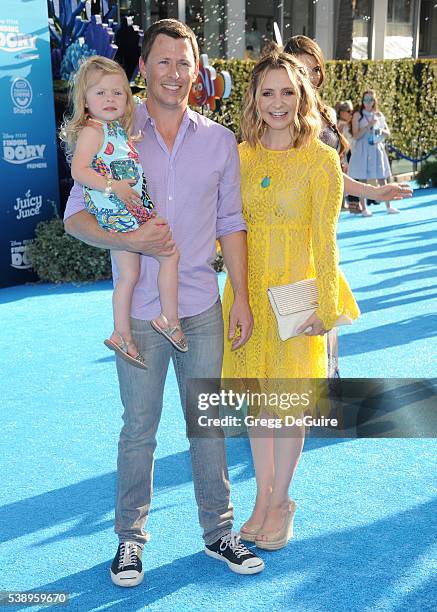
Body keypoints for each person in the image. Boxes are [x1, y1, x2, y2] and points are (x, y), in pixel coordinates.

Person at [63, 19, 265, 586]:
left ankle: (219, 532)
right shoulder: (113, 134)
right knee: (139, 429)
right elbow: (75, 217)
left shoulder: (220, 141)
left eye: (185, 62)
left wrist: (242, 298)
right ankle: (130, 540)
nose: (175, 73)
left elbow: (232, 223)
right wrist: (130, 241)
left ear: (196, 69)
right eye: (164, 61)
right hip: (140, 316)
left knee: (208, 426)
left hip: (202, 307)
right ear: (143, 69)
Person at [221, 48, 360, 550]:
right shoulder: (237, 157)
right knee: (260, 406)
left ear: (302, 96)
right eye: (267, 92)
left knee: (289, 406)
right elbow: (226, 229)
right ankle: (262, 501)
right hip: (247, 294)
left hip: (297, 297)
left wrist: (327, 306)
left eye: (287, 91)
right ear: (253, 99)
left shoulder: (322, 161)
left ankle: (281, 503)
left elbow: (325, 240)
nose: (277, 102)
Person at [62, 56, 187, 371]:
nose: (110, 99)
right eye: (100, 93)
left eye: (117, 93)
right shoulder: (92, 131)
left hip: (127, 212)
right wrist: (112, 187)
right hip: (122, 214)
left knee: (129, 277)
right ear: (85, 101)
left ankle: (122, 334)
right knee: (169, 255)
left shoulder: (113, 129)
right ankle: (169, 320)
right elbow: (79, 171)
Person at [283, 36, 412, 214]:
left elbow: (329, 171)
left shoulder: (325, 113)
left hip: (325, 214)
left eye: (316, 69)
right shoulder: (282, 115)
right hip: (293, 215)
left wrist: (375, 192)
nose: (312, 77)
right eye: (302, 70)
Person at [348, 89, 399, 216]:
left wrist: (381, 131)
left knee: (382, 178)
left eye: (370, 99)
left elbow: (388, 132)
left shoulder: (379, 115)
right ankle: (364, 208)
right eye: (366, 99)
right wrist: (367, 126)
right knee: (362, 179)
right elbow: (355, 135)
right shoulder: (357, 115)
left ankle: (388, 206)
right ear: (362, 101)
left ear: (374, 100)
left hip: (376, 148)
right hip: (362, 149)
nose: (368, 102)